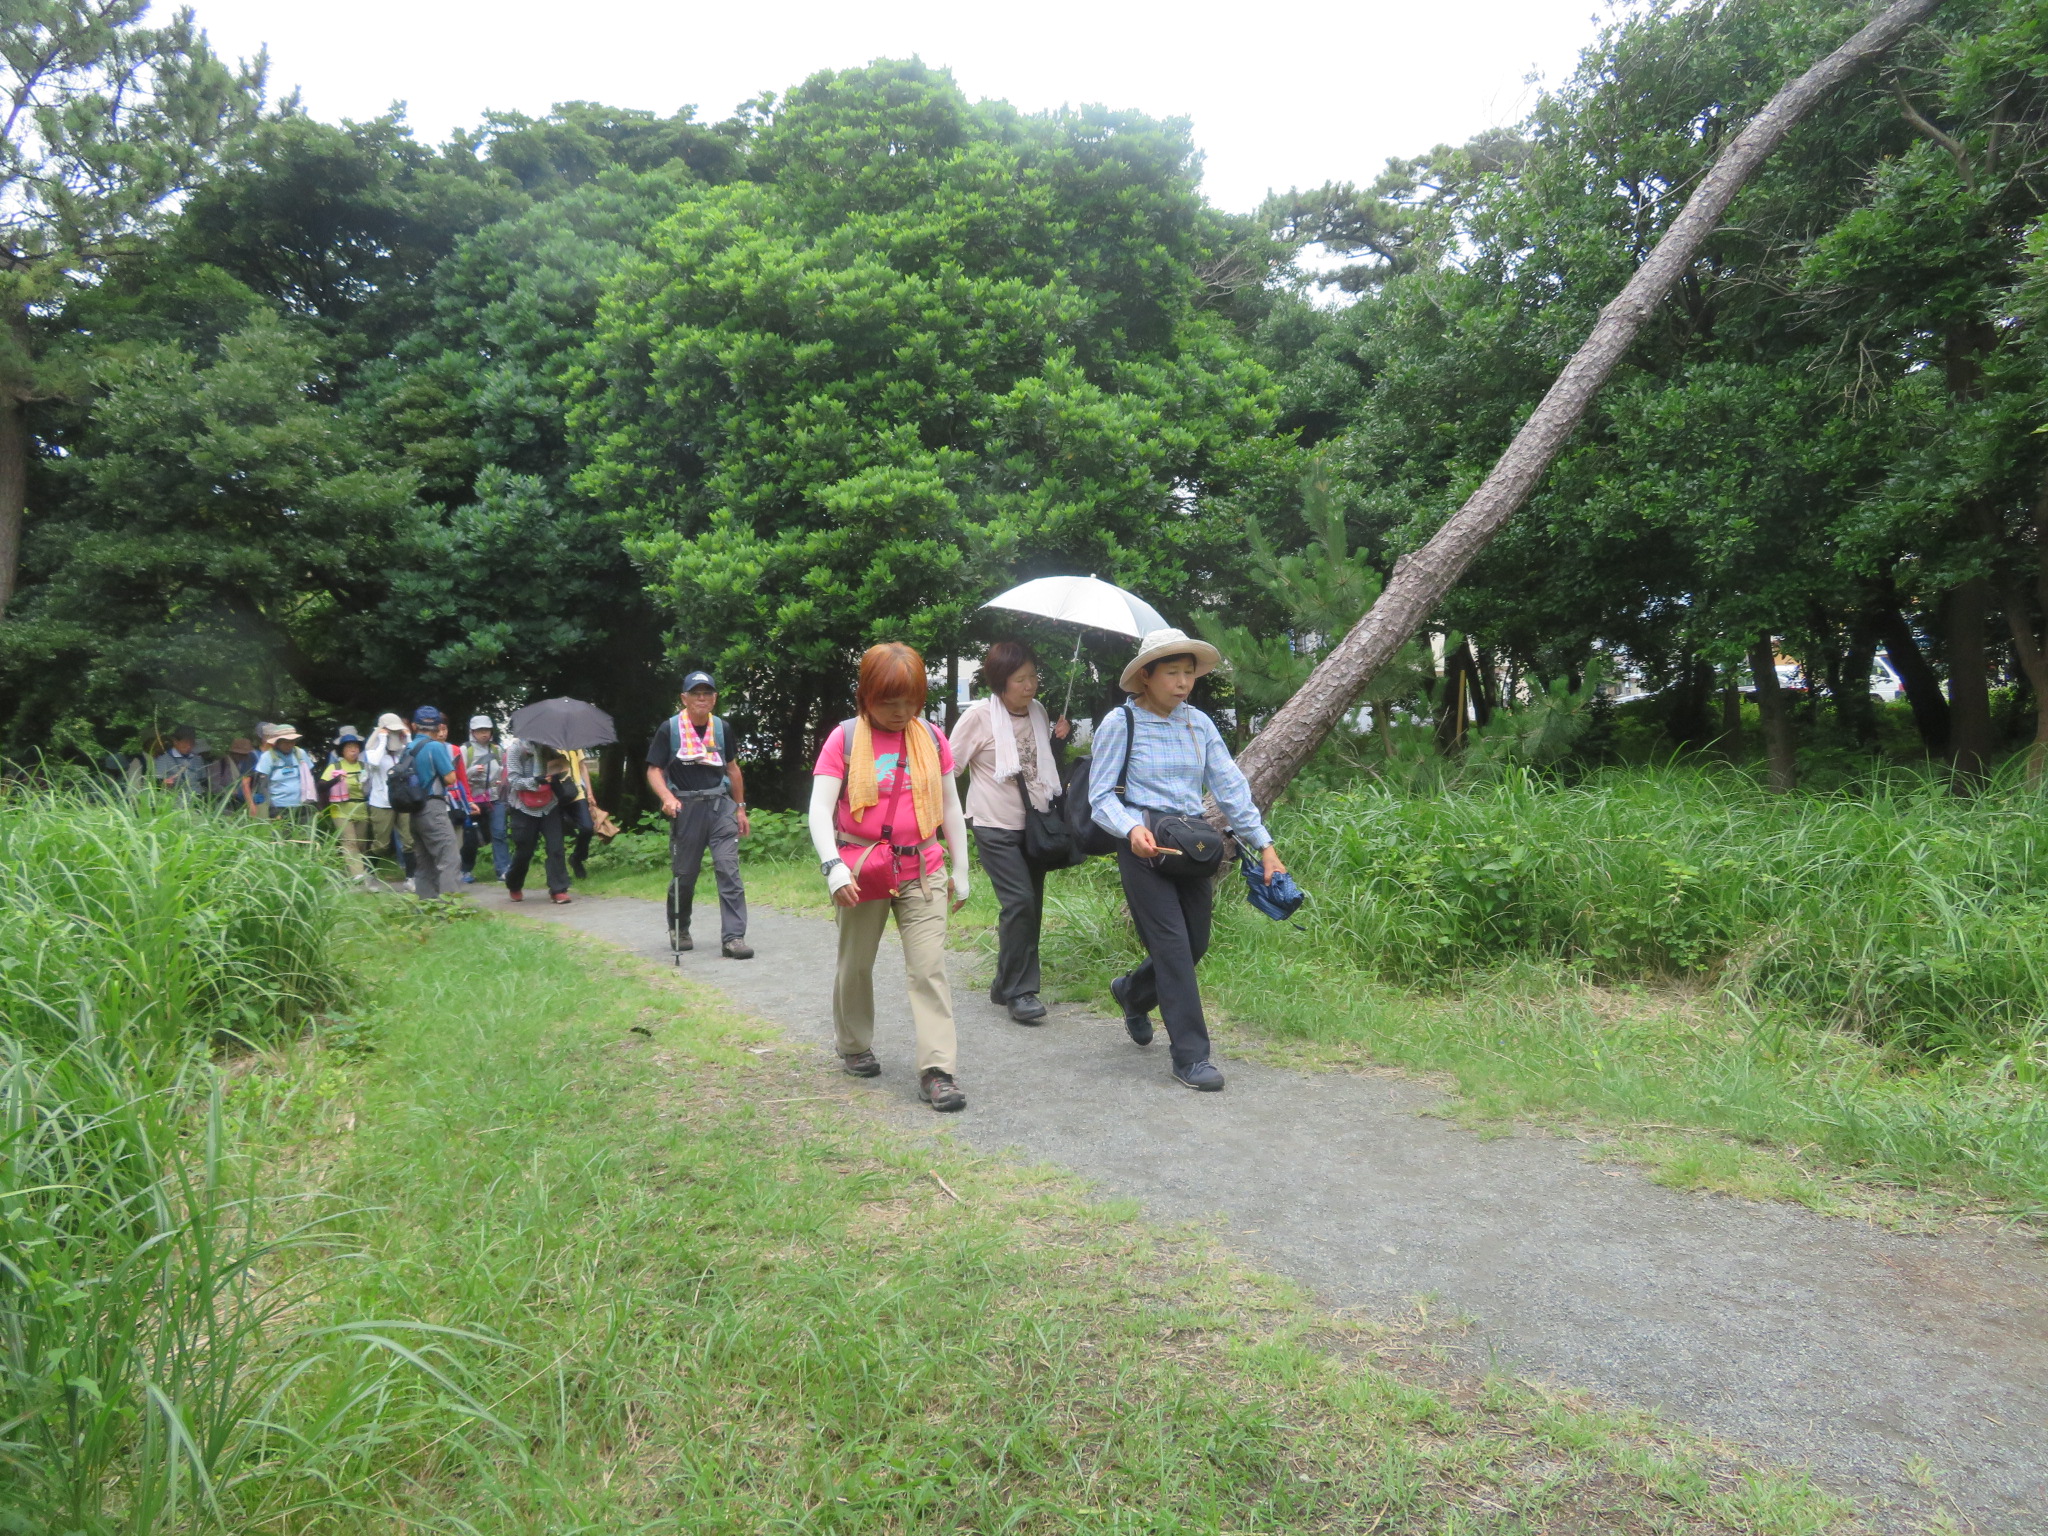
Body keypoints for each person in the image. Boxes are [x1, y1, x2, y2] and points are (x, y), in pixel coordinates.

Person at [1087, 628, 1287, 1094]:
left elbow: (1230, 788)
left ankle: (1131, 992)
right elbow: (1100, 797)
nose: (1182, 683)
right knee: (1173, 947)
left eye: (1189, 674)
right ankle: (1191, 1057)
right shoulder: (1121, 722)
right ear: (1145, 676)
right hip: (1144, 846)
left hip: (1193, 844)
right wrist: (1130, 829)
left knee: (1194, 943)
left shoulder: (1199, 724)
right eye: (1172, 673)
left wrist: (1265, 846)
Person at [808, 643, 970, 1113]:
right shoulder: (843, 739)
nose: (901, 712)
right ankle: (854, 1043)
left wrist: (961, 869)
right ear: (866, 697)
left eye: (910, 701)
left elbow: (951, 806)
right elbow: (819, 809)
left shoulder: (932, 738)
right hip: (862, 868)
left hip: (923, 867)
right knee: (855, 964)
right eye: (889, 702)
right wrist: (833, 866)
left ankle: (937, 1071)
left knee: (929, 968)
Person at [949, 641, 1072, 1023]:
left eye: (1033, 676)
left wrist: (1057, 740)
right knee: (1019, 902)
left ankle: (1005, 983)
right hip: (994, 824)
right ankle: (1022, 992)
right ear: (1001, 681)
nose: (1030, 685)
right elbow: (948, 768)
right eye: (1020, 679)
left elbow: (1037, 765)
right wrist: (941, 820)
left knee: (1030, 908)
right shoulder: (979, 717)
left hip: (1035, 825)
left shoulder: (1038, 711)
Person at [644, 670, 752, 958]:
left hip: (720, 807)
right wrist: (667, 797)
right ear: (684, 698)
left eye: (707, 693)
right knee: (685, 874)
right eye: (695, 693)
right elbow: (654, 770)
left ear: (714, 698)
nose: (701, 698)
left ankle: (734, 938)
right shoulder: (670, 729)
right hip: (686, 808)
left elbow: (732, 769)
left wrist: (740, 808)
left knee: (728, 869)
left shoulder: (722, 728)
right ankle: (679, 928)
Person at [504, 735, 573, 903]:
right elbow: (513, 780)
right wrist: (535, 781)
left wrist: (560, 766)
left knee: (556, 847)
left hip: (549, 804)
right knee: (524, 851)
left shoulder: (549, 747)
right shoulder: (516, 748)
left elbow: (560, 770)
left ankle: (558, 889)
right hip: (523, 806)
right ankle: (514, 884)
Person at [405, 706, 464, 899]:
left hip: (414, 809)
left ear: (414, 726)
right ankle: (451, 907)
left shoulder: (408, 748)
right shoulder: (436, 747)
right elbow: (450, 778)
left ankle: (426, 905)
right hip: (433, 807)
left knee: (424, 862)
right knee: (449, 857)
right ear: (439, 726)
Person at [363, 713, 416, 883]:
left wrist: (407, 737)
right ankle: (369, 874)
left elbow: (413, 757)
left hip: (403, 801)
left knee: (409, 841)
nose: (395, 735)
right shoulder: (373, 750)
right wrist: (382, 739)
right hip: (381, 802)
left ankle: (411, 879)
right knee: (381, 844)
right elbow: (374, 762)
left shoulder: (402, 750)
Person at [459, 715, 511, 883]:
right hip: (472, 799)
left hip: (494, 797)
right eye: (480, 730)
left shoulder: (496, 749)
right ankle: (464, 870)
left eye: (487, 730)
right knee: (470, 837)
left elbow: (503, 770)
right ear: (472, 732)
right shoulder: (465, 750)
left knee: (500, 833)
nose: (484, 734)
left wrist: (500, 780)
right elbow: (457, 777)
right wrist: (472, 771)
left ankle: (503, 870)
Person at [319, 727, 375, 884]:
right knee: (350, 842)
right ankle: (358, 876)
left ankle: (353, 871)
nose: (353, 750)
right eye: (349, 747)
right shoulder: (335, 767)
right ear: (342, 751)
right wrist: (336, 780)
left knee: (361, 844)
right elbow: (321, 786)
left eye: (355, 747)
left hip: (361, 809)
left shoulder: (364, 766)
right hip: (341, 810)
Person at [243, 725, 314, 828]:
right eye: (286, 742)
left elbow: (310, 778)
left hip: (301, 804)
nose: (289, 744)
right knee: (282, 835)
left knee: (303, 835)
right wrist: (273, 810)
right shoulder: (267, 757)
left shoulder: (300, 753)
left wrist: (313, 804)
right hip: (279, 805)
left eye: (292, 741)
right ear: (277, 742)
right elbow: (263, 786)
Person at [152, 725, 208, 796]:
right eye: (185, 742)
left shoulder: (198, 759)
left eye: (192, 743)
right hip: (175, 798)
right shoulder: (163, 760)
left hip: (197, 798)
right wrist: (165, 784)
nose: (189, 746)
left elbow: (203, 780)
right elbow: (157, 784)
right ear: (175, 741)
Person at [208, 735, 255, 809]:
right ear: (234, 753)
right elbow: (214, 787)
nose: (245, 757)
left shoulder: (245, 766)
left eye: (246, 755)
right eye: (242, 755)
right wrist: (234, 792)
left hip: (242, 805)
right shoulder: (219, 764)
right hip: (224, 806)